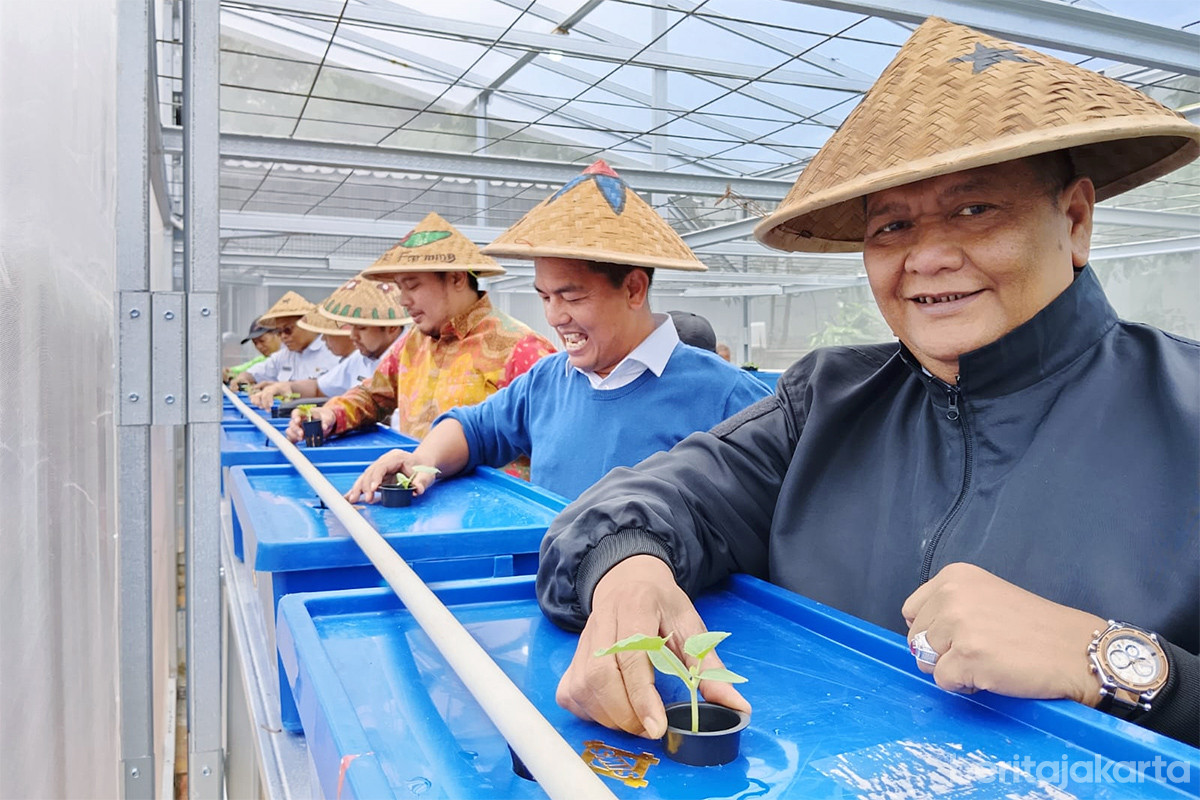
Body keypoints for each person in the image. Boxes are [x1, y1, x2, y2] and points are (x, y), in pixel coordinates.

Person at [537, 17, 1199, 747]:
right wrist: (628, 572)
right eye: (890, 228)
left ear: (1074, 220)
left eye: (975, 210)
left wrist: (1114, 662)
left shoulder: (1185, 412)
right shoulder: (825, 403)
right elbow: (637, 502)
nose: (927, 258)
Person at [344, 162, 769, 502]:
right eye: (545, 297)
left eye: (571, 297)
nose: (554, 316)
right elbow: (474, 429)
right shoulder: (547, 381)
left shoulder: (725, 396)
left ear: (634, 289)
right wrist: (422, 460)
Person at [288, 212, 555, 447]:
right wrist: (330, 414)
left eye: (413, 286)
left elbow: (552, 441)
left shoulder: (520, 349)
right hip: (416, 492)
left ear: (456, 278)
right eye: (400, 288)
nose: (404, 300)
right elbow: (373, 394)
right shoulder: (413, 343)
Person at [253, 276, 409, 409]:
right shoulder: (363, 357)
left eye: (361, 328)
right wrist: (287, 386)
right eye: (351, 327)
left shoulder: (412, 358)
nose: (352, 336)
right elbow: (318, 387)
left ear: (392, 327)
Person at [229, 291, 341, 390]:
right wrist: (242, 379)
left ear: (308, 324)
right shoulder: (283, 356)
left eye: (287, 330)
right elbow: (254, 373)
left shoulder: (334, 352)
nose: (282, 336)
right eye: (278, 331)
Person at [223, 318, 281, 384]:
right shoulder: (263, 360)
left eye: (262, 340)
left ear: (278, 335)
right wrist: (228, 372)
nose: (259, 346)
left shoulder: (290, 355)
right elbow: (246, 368)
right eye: (255, 343)